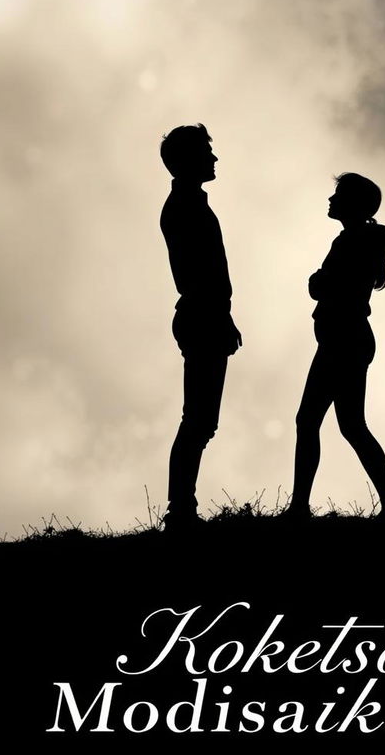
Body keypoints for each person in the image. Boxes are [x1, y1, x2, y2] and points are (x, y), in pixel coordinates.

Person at [287, 172, 385, 523]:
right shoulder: (358, 240)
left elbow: (327, 285)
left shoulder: (357, 241)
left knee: (312, 421)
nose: (330, 200)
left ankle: (299, 509)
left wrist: (321, 282)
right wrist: (322, 283)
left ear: (353, 203)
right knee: (350, 425)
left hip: (344, 339)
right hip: (345, 339)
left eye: (337, 195)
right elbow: (325, 284)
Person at [159, 124, 242, 526]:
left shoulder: (189, 203)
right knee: (198, 419)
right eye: (207, 153)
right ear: (189, 160)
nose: (214, 159)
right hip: (201, 314)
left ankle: (182, 508)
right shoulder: (186, 207)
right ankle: (181, 510)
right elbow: (202, 272)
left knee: (200, 419)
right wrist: (219, 316)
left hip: (205, 313)